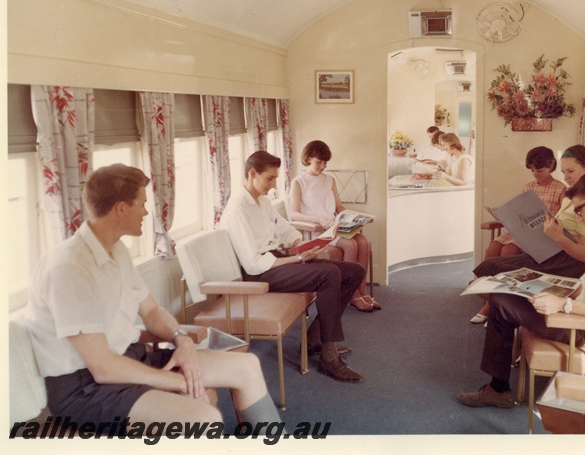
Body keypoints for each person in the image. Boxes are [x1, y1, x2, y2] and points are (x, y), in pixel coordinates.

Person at [26, 164, 280, 430]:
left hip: (131, 360)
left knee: (247, 366)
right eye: (142, 204)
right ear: (121, 208)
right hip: (86, 389)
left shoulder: (117, 249)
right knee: (204, 417)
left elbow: (150, 311)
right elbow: (103, 367)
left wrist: (180, 339)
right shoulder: (68, 268)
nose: (147, 212)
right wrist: (183, 382)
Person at [457, 173, 585, 408]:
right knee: (504, 294)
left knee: (500, 301)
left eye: (579, 210)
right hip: (578, 315)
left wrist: (563, 304)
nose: (578, 218)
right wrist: (546, 286)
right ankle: (497, 388)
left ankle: (498, 390)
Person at [220, 150, 365, 383]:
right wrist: (298, 259)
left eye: (275, 178)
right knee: (328, 274)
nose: (273, 184)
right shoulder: (238, 210)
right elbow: (254, 265)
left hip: (278, 260)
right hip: (262, 274)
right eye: (269, 178)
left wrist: (300, 243)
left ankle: (316, 336)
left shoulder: (263, 202)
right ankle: (328, 356)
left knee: (354, 271)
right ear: (252, 173)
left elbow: (283, 228)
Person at [469, 145, 585, 324]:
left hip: (561, 256)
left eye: (571, 171)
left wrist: (557, 236)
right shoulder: (572, 194)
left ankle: (491, 303)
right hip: (549, 244)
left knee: (495, 264)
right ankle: (490, 301)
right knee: (489, 261)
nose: (567, 177)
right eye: (564, 172)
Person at [290, 140, 380, 313]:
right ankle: (352, 294)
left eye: (325, 162)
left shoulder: (329, 180)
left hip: (334, 226)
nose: (323, 166)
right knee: (350, 244)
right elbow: (293, 213)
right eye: (319, 162)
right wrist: (320, 220)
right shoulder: (298, 182)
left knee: (362, 241)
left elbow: (338, 206)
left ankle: (362, 291)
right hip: (316, 232)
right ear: (308, 158)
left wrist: (352, 217)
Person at [484, 146, 567, 259]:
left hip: (544, 235)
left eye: (539, 170)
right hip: (525, 233)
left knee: (508, 251)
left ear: (551, 167)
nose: (535, 174)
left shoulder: (560, 189)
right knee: (492, 248)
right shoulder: (528, 187)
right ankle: (488, 277)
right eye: (532, 170)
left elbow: (564, 218)